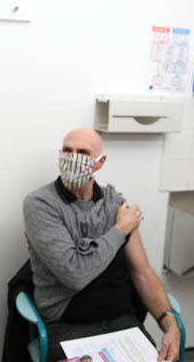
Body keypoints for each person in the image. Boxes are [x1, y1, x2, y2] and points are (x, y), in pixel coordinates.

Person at [23, 128, 180, 362]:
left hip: (120, 320)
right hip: (67, 322)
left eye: (83, 153)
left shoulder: (115, 205)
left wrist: (170, 324)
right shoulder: (40, 204)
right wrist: (120, 229)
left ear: (99, 162)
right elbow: (75, 274)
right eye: (67, 151)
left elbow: (142, 273)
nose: (73, 158)